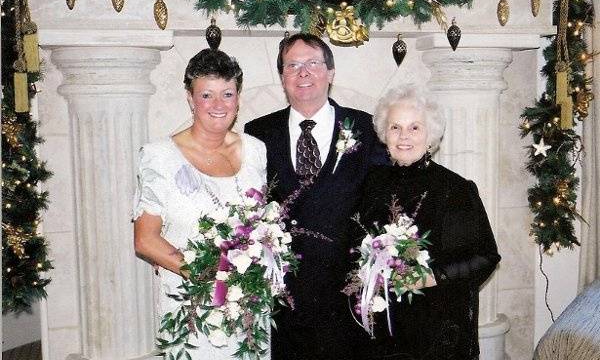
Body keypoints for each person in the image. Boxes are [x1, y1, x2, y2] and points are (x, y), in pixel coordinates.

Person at [245, 33, 387, 360]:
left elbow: (381, 201)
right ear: (282, 77)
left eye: (312, 63)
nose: (303, 73)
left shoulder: (366, 128)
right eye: (292, 65)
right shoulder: (257, 133)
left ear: (331, 73)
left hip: (347, 297)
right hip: (284, 299)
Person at [132, 49, 267, 359]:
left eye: (227, 94)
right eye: (207, 95)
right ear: (190, 99)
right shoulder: (159, 156)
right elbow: (145, 238)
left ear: (238, 99)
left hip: (248, 302)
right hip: (189, 301)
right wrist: (208, 275)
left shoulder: (256, 150)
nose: (218, 105)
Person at [357, 85, 501, 360]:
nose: (403, 137)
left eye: (414, 128)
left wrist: (431, 277)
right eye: (395, 127)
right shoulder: (371, 183)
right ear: (384, 134)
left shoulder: (455, 188)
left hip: (435, 328)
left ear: (430, 135)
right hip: (382, 327)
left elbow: (485, 256)